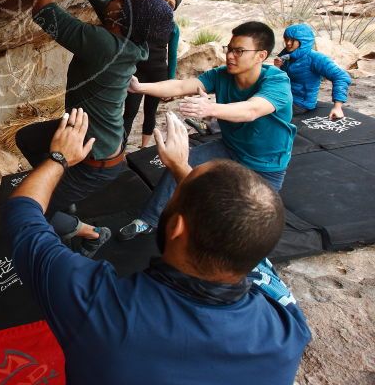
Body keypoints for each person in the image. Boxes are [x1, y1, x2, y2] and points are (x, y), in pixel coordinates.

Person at [5, 108, 311, 385]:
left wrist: (58, 158)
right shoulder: (288, 329)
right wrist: (181, 169)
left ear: (177, 228)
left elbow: (21, 216)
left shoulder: (101, 309)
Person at [14, 0, 172, 257]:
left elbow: (44, 10)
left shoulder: (106, 46)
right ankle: (65, 196)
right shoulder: (128, 32)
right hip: (94, 141)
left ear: (120, 16)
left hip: (95, 161)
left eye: (121, 0)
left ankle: (91, 232)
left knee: (31, 206)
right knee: (26, 138)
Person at [119, 21, 296, 240]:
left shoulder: (277, 82)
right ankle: (148, 220)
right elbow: (182, 86)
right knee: (179, 162)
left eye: (239, 51)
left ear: (261, 55)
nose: (230, 56)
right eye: (229, 49)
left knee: (248, 225)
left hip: (266, 164)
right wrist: (140, 88)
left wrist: (210, 108)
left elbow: (252, 109)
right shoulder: (222, 75)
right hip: (229, 148)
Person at [122, 0, 181, 147]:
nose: (167, 4)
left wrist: (171, 82)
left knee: (150, 112)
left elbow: (173, 55)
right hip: (138, 72)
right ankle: (121, 148)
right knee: (130, 111)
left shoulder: (173, 28)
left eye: (171, 4)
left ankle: (143, 147)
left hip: (158, 74)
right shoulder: (143, 17)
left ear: (174, 9)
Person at [275, 23, 352, 119]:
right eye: (286, 39)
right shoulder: (286, 55)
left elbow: (341, 76)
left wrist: (337, 107)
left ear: (303, 41)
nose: (288, 43)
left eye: (293, 40)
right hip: (285, 96)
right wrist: (278, 67)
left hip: (301, 103)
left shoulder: (315, 58)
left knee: (265, 114)